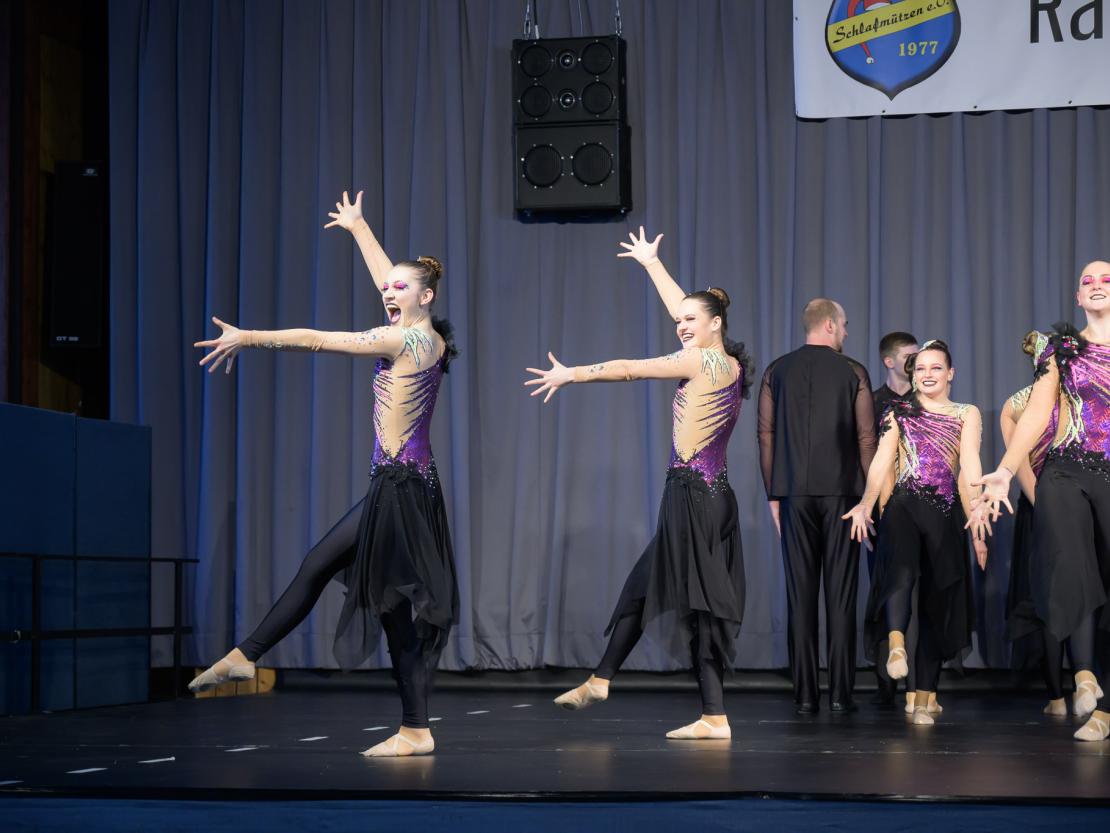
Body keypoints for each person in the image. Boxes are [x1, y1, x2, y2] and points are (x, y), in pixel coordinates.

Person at [189, 192, 459, 758]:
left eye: (399, 289)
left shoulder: (404, 339)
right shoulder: (424, 333)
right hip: (407, 485)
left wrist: (249, 337)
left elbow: (316, 339)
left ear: (426, 297)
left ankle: (247, 656)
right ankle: (415, 728)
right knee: (389, 609)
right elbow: (391, 281)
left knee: (326, 569)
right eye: (388, 288)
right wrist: (361, 229)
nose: (387, 292)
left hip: (400, 488)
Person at [526, 228, 751, 740]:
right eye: (679, 322)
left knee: (695, 606)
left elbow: (630, 368)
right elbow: (690, 310)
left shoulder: (702, 358)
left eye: (691, 322)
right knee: (648, 590)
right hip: (713, 496)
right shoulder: (728, 360)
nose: (681, 327)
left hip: (692, 496)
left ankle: (707, 714)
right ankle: (606, 679)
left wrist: (572, 375)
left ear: (716, 324)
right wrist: (653, 264)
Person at [976, 260, 1110, 742]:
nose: (1096, 285)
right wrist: (1006, 471)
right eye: (1087, 281)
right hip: (1066, 470)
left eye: (1106, 278)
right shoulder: (1062, 350)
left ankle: (1102, 709)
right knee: (1071, 567)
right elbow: (1035, 413)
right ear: (1077, 298)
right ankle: (1084, 674)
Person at [844, 340, 988, 726]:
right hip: (904, 505)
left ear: (950, 373)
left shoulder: (966, 413)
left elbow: (970, 461)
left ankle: (922, 699)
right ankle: (895, 644)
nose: (927, 374)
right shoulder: (899, 411)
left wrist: (976, 507)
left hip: (944, 512)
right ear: (912, 374)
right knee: (900, 573)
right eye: (920, 368)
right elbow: (880, 461)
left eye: (935, 368)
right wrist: (866, 502)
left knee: (936, 605)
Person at [757, 299, 877, 713]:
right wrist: (870, 497)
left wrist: (774, 493)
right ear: (829, 324)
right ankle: (842, 694)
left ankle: (805, 695)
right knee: (841, 596)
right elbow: (866, 440)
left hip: (792, 494)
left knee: (800, 595)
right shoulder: (853, 371)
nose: (846, 332)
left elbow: (766, 436)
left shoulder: (777, 370)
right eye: (843, 324)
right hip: (844, 495)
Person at [1001, 331, 1066, 716]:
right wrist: (1045, 506)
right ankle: (1056, 694)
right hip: (1040, 505)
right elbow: (1019, 458)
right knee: (1048, 600)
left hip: (1086, 500)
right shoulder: (1018, 404)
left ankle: (1091, 683)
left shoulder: (1082, 396)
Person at [869, 331, 919, 706]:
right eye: (908, 355)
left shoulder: (926, 400)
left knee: (921, 590)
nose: (915, 361)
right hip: (883, 512)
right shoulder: (872, 404)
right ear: (889, 361)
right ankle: (886, 681)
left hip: (924, 506)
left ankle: (919, 684)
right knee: (886, 589)